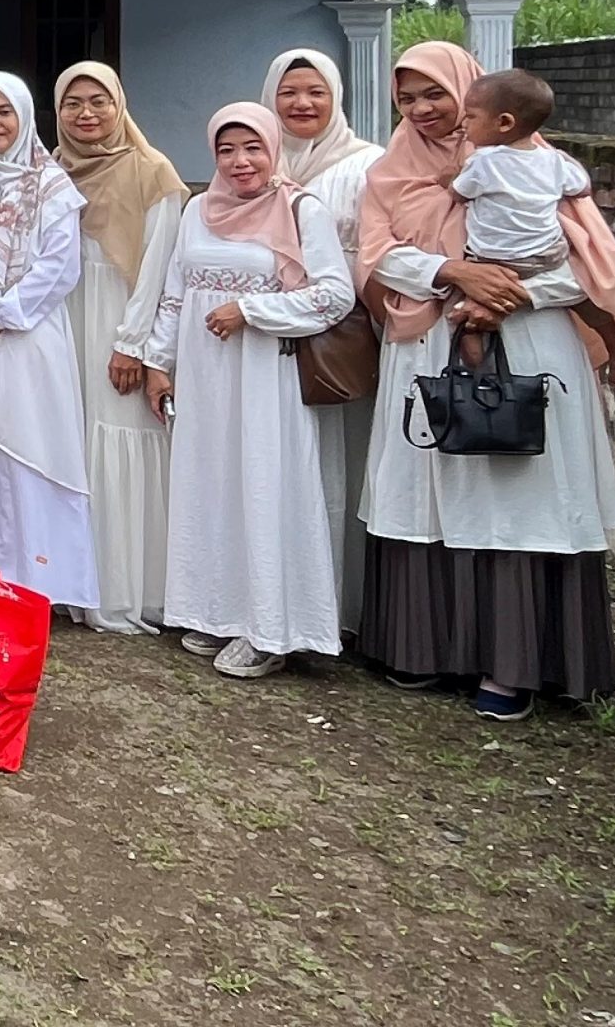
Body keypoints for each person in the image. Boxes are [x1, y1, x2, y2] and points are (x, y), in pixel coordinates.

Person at [358, 42, 615, 718]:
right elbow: (374, 256)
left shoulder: (538, 168)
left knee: (518, 495)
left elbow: (590, 263)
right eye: (408, 97)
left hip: (532, 350)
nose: (423, 111)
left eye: (436, 95)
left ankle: (515, 665)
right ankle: (426, 650)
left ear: (475, 99)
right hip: (428, 346)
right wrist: (451, 272)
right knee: (431, 491)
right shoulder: (391, 174)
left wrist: (514, 294)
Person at [142, 104, 354, 679]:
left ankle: (271, 629)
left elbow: (336, 296)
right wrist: (157, 362)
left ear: (273, 149)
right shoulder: (197, 210)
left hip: (264, 375)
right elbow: (174, 290)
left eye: (252, 148)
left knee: (263, 487)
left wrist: (253, 311)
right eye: (227, 151)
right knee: (212, 487)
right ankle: (217, 610)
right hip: (205, 377)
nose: (240, 162)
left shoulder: (301, 210)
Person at [0, 72, 100, 611]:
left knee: (30, 449)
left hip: (28, 337)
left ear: (25, 117)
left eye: (4, 112)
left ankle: (36, 582)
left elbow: (61, 267)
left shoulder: (51, 185)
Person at [50, 62, 187, 635]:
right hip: (62, 321)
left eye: (98, 102)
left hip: (119, 321)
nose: (86, 114)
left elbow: (160, 267)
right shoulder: (51, 171)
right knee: (69, 445)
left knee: (120, 447)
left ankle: (124, 589)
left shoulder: (152, 171)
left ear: (119, 105)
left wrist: (133, 345)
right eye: (72, 103)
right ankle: (68, 580)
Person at [260, 46, 386, 639]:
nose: (301, 103)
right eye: (288, 93)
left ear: (337, 97)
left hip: (337, 339)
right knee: (278, 469)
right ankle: (275, 595)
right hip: (264, 346)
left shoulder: (365, 165)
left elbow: (379, 251)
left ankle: (341, 608)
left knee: (338, 465)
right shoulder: (251, 157)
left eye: (315, 92)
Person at [449, 68, 615, 376]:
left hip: (493, 259)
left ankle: (475, 363)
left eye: (470, 117)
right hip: (547, 254)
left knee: (472, 307)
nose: (463, 124)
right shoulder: (554, 160)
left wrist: (450, 178)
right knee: (582, 297)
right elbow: (582, 187)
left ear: (504, 122)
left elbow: (458, 194)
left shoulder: (483, 161)